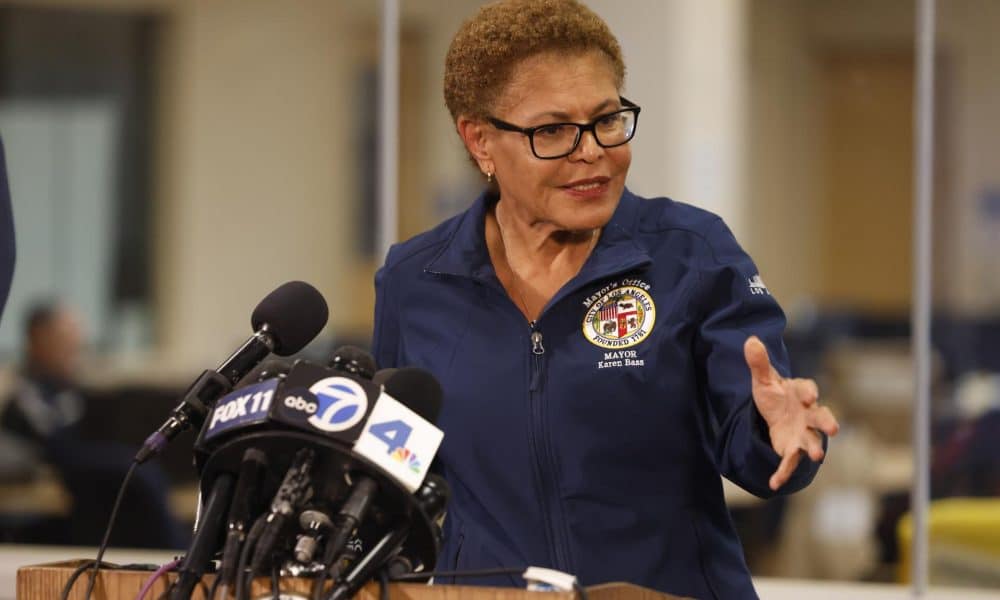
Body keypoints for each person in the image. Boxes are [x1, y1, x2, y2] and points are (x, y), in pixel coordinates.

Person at [371, 1, 839, 597]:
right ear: (480, 140)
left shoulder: (692, 255)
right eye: (553, 131)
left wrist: (776, 434)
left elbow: (755, 451)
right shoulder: (415, 280)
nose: (591, 151)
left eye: (608, 120)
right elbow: (395, 482)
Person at [0, 301, 186, 548]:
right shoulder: (27, 393)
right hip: (54, 472)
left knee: (142, 469)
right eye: (64, 342)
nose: (73, 351)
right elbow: (55, 444)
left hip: (85, 466)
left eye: (75, 343)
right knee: (137, 473)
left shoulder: (70, 390)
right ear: (38, 341)